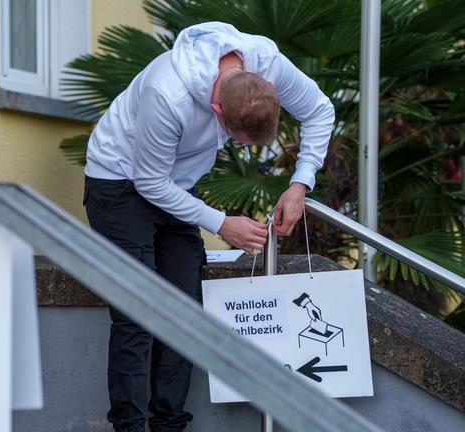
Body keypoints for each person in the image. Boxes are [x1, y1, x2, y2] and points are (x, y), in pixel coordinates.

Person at [83, 22, 335, 432]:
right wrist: (221, 223)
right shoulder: (168, 92)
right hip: (119, 183)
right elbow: (149, 182)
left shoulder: (265, 58)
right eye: (239, 140)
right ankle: (129, 427)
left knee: (185, 311)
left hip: (176, 183)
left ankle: (170, 425)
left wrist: (300, 183)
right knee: (137, 312)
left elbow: (319, 109)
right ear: (218, 112)